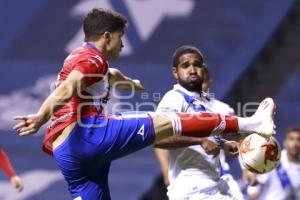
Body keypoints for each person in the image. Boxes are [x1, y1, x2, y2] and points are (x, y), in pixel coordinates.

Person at [13, 8, 276, 200]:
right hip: (87, 134)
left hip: (67, 155)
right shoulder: (93, 59)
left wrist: (128, 82)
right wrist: (41, 115)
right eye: (120, 37)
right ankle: (252, 121)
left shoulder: (81, 57)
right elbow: (68, 87)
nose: (123, 43)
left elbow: (107, 76)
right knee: (166, 121)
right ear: (107, 37)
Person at [154, 45, 243, 200]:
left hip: (212, 184)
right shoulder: (174, 98)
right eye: (186, 65)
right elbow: (157, 138)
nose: (192, 69)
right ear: (175, 72)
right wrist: (200, 141)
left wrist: (223, 144)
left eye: (197, 65)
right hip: (192, 189)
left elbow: (205, 137)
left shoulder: (204, 102)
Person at [244, 127, 300, 200]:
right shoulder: (272, 159)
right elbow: (254, 181)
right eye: (291, 139)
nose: (295, 144)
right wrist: (251, 176)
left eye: (299, 140)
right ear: (285, 142)